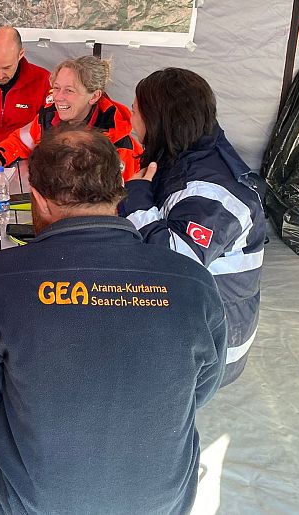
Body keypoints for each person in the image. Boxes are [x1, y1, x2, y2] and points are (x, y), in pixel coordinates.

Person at [0, 124, 226, 515]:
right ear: (121, 189)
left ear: (38, 199)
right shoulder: (193, 280)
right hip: (163, 502)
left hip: (36, 503)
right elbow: (201, 391)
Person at [121, 68, 265, 386]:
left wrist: (137, 199)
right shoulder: (188, 153)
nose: (130, 115)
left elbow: (174, 267)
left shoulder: (211, 193)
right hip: (201, 325)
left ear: (158, 119)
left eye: (135, 109)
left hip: (210, 357)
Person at [0, 55, 140, 180]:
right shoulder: (48, 118)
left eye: (69, 90)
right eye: (56, 88)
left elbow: (123, 200)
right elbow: (20, 141)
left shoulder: (119, 143)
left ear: (95, 96)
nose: (58, 97)